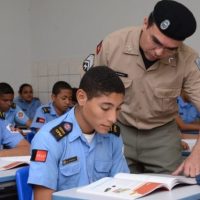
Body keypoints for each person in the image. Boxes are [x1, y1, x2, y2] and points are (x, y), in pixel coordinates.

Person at [83, 0, 200, 177]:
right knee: (115, 188)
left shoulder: (188, 60)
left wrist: (197, 155)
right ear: (145, 23)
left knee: (169, 190)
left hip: (162, 135)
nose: (159, 52)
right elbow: (87, 92)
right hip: (117, 130)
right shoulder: (113, 44)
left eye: (170, 49)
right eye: (155, 41)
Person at [28, 66, 129, 200]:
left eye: (118, 109)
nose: (113, 118)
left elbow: (122, 188)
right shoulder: (48, 138)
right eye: (105, 108)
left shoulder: (113, 137)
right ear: (81, 98)